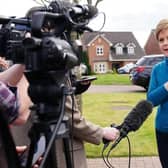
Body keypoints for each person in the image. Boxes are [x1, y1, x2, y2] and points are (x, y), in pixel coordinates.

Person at [147, 18, 168, 168]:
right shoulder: (157, 69)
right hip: (163, 130)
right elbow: (151, 100)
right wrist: (166, 87)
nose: (165, 43)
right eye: (161, 40)